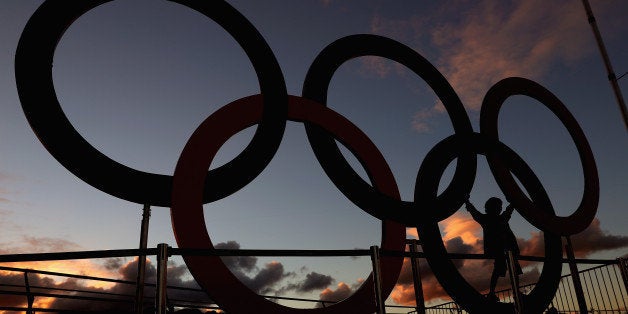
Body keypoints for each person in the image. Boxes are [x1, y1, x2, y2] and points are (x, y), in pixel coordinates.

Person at [465, 195, 523, 301]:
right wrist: (467, 202)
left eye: (500, 207)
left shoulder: (494, 218)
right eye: (498, 207)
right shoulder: (490, 219)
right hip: (501, 250)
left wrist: (467, 202)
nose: (500, 209)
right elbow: (474, 212)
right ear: (491, 208)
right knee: (502, 270)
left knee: (511, 269)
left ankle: (511, 291)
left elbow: (508, 211)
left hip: (507, 249)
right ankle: (494, 292)